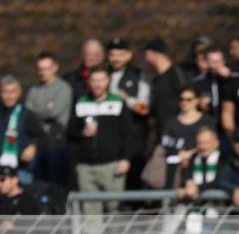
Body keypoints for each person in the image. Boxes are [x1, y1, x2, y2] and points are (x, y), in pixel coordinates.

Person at [71, 67, 132, 200]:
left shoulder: (118, 103)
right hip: (86, 166)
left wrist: (125, 158)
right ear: (88, 82)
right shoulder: (80, 103)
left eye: (101, 80)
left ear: (108, 81)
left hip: (112, 164)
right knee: (90, 212)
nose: (98, 84)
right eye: (94, 80)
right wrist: (82, 133)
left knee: (114, 208)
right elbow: (70, 132)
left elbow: (128, 133)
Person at [0, 75, 42, 190]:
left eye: (12, 92)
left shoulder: (26, 115)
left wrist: (33, 147)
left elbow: (43, 137)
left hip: (18, 173)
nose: (8, 96)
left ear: (19, 92)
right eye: (5, 92)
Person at [26, 51, 73, 189]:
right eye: (40, 69)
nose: (43, 72)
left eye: (46, 68)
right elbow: (28, 114)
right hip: (37, 144)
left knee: (57, 186)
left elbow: (53, 113)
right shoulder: (34, 90)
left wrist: (38, 111)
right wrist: (45, 110)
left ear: (55, 67)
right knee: (38, 185)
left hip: (56, 143)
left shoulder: (63, 88)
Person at [108, 38, 151, 189]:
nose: (116, 59)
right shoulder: (104, 75)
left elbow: (144, 108)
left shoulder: (138, 75)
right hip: (112, 134)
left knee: (133, 173)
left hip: (135, 132)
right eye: (112, 54)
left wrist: (128, 100)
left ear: (128, 55)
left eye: (120, 54)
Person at [159, 85, 213, 188]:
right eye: (181, 99)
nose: (184, 102)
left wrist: (190, 154)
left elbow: (213, 143)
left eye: (189, 99)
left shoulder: (207, 121)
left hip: (200, 168)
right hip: (174, 170)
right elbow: (165, 144)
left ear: (197, 100)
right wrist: (179, 155)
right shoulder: (171, 122)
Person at [143, 38, 187, 136]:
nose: (145, 57)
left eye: (147, 53)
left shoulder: (175, 73)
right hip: (161, 131)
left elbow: (186, 97)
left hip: (177, 130)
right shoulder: (156, 79)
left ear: (154, 53)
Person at [63, 39, 105, 103]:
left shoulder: (111, 77)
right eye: (88, 54)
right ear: (82, 56)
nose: (91, 58)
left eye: (95, 55)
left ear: (102, 57)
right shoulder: (68, 80)